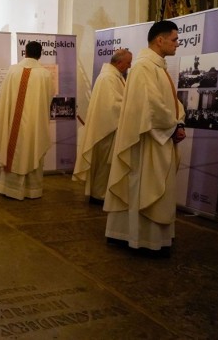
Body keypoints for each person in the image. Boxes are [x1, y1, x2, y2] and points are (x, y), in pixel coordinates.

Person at [104, 20, 186, 255]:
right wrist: (173, 126)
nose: (177, 44)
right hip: (147, 140)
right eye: (174, 39)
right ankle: (140, 239)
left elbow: (169, 101)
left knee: (149, 186)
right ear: (159, 40)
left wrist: (178, 120)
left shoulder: (156, 66)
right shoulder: (143, 67)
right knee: (142, 186)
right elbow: (150, 106)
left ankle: (143, 237)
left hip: (159, 136)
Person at [0, 41, 54, 200]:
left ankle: (8, 188)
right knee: (32, 147)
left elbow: (4, 98)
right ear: (40, 55)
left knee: (11, 148)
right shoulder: (45, 75)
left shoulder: (13, 71)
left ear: (24, 53)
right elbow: (48, 99)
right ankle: (31, 190)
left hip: (12, 125)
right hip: (34, 125)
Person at [72, 48, 132, 204]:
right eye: (127, 62)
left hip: (109, 127)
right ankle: (99, 194)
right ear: (119, 62)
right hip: (106, 129)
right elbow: (111, 106)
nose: (129, 65)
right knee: (104, 164)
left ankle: (99, 193)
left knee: (105, 164)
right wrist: (131, 106)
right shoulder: (108, 78)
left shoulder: (114, 76)